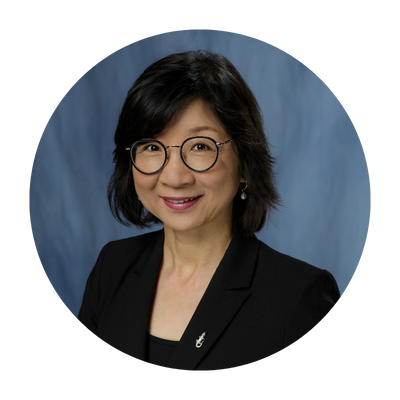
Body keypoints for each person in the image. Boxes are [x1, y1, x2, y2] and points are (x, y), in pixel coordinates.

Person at [76, 50, 342, 372]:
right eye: (150, 146)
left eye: (200, 146)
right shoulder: (112, 268)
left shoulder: (299, 297)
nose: (174, 177)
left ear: (244, 163)